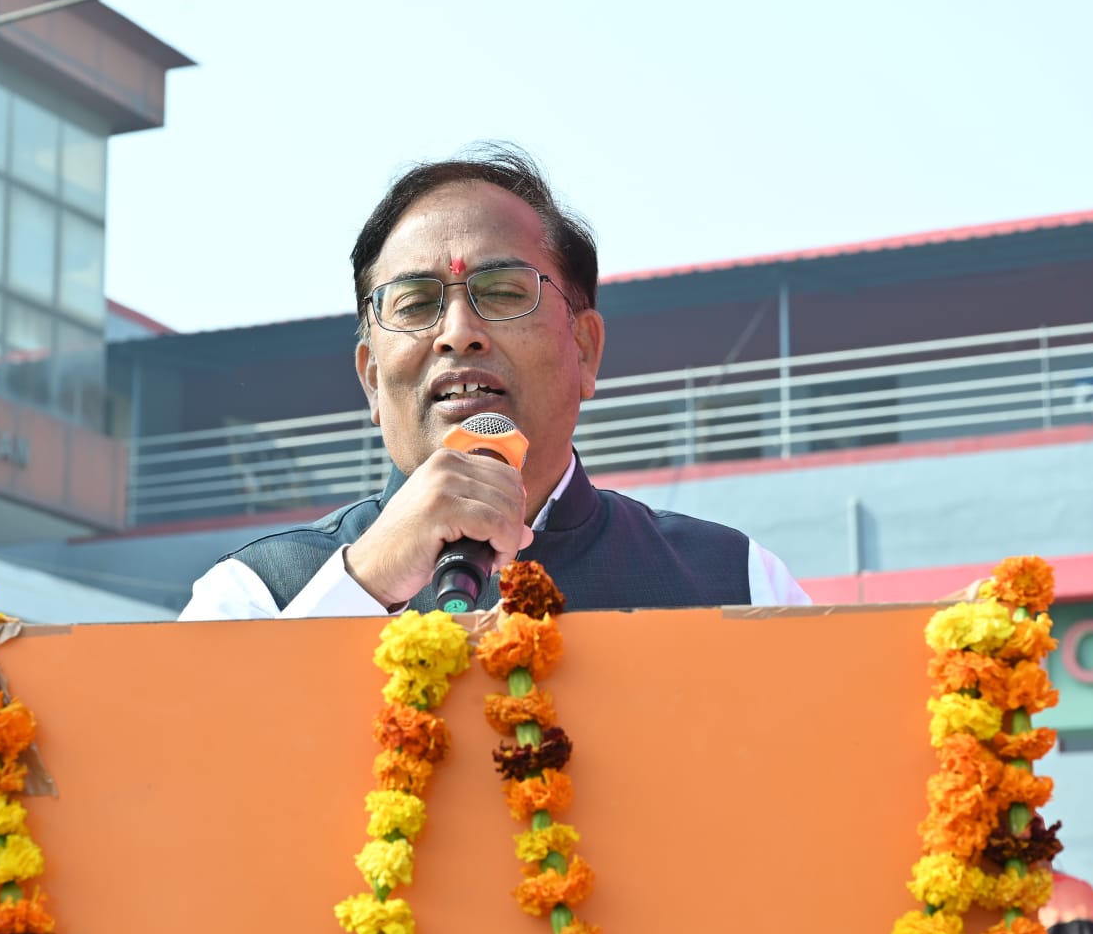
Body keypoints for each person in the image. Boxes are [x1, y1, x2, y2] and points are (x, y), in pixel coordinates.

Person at [179, 146, 809, 619]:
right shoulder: (256, 596)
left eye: (503, 292)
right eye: (415, 303)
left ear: (584, 349)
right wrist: (364, 586)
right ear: (371, 378)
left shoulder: (735, 586)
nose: (457, 333)